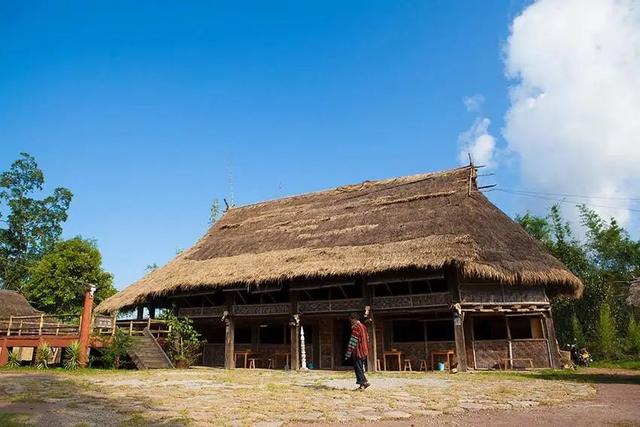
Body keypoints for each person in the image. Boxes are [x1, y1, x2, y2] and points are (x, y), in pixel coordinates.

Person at [344, 312, 370, 390]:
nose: (350, 322)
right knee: (360, 367)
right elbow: (367, 338)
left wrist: (348, 352)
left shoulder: (356, 327)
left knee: (358, 368)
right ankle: (363, 384)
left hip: (358, 351)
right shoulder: (363, 327)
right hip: (364, 351)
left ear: (354, 319)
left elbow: (353, 341)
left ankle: (364, 383)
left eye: (351, 320)